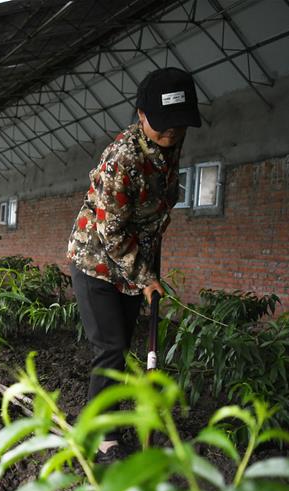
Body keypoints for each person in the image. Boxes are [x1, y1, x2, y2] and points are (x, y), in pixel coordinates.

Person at [66, 67, 201, 458]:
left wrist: (149, 273)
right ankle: (99, 437)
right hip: (97, 263)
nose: (171, 134)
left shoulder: (169, 146)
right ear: (141, 115)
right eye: (163, 127)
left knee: (122, 346)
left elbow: (154, 218)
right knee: (109, 349)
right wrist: (145, 277)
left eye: (178, 126)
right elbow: (111, 233)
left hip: (132, 262)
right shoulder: (121, 160)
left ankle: (107, 420)